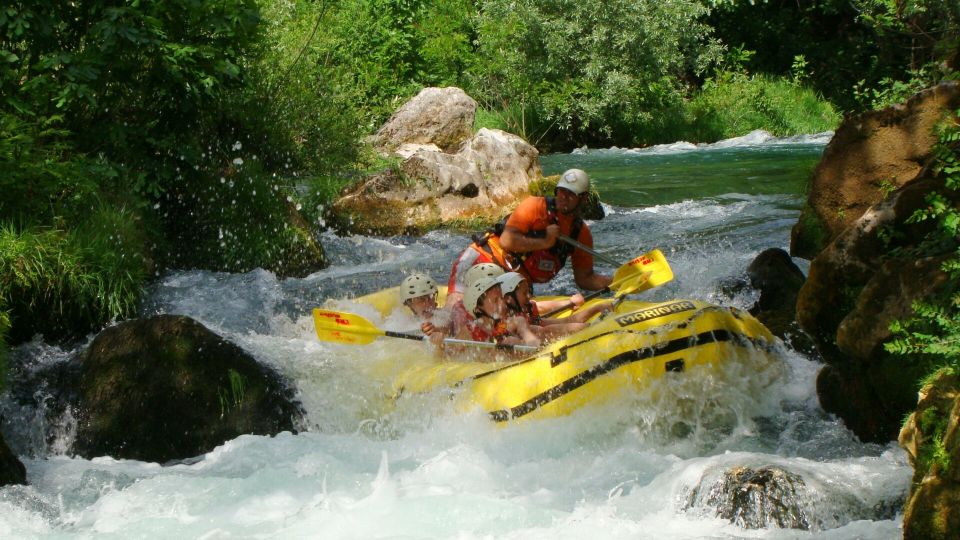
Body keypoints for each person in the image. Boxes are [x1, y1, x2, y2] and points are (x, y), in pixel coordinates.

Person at [446, 168, 612, 305]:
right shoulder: (534, 206)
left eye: (570, 194)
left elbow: (585, 279)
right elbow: (506, 241)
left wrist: (617, 281)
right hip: (483, 259)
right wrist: (545, 242)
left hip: (512, 281)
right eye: (561, 191)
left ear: (582, 197)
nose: (563, 197)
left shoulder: (581, 234)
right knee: (456, 312)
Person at [495, 272, 613, 340]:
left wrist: (596, 308)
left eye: (528, 292)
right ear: (508, 298)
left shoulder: (526, 311)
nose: (529, 296)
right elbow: (546, 332)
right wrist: (593, 328)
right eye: (524, 293)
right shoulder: (502, 323)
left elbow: (566, 321)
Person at [457, 276, 540, 352]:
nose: (503, 304)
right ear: (478, 310)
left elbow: (533, 343)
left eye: (501, 298)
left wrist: (522, 343)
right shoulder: (469, 331)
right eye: (495, 301)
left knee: (516, 338)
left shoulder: (510, 323)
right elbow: (450, 356)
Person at [398, 273, 449, 346]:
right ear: (409, 304)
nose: (428, 304)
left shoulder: (445, 315)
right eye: (421, 299)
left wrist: (438, 330)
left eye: (430, 297)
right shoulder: (403, 324)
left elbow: (449, 327)